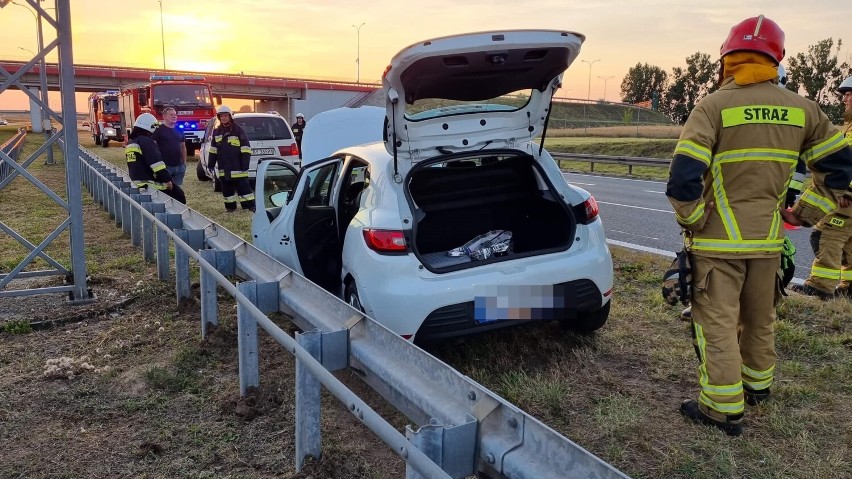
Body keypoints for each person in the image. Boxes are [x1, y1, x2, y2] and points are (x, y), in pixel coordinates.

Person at [666, 15, 852, 436]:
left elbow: (682, 180)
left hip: (718, 246)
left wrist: (694, 220)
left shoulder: (712, 106)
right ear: (776, 59)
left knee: (716, 322)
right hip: (768, 242)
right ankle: (757, 387)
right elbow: (840, 173)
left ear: (728, 58)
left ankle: (722, 409)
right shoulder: (806, 110)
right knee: (759, 318)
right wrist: (802, 214)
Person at [678, 62, 804, 322]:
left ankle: (714, 305)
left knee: (720, 303)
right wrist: (799, 206)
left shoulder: (720, 107)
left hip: (719, 222)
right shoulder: (793, 118)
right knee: (757, 322)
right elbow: (807, 166)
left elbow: (687, 170)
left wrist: (691, 215)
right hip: (766, 225)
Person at [791, 76, 852, 299]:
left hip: (845, 201)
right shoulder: (849, 126)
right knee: (849, 245)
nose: (845, 99)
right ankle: (849, 288)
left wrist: (847, 192)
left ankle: (820, 288)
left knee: (826, 236)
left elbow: (846, 165)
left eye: (849, 94)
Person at [125, 113, 186, 204]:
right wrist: (167, 180)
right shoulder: (146, 141)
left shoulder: (132, 142)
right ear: (150, 126)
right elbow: (156, 165)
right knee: (180, 196)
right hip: (149, 183)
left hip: (137, 182)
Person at [207, 105, 255, 212]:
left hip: (238, 167)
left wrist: (245, 164)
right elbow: (213, 150)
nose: (223, 118)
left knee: (244, 189)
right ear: (219, 118)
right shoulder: (217, 132)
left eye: (225, 116)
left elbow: (246, 148)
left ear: (230, 116)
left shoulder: (238, 130)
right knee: (227, 190)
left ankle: (249, 206)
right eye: (221, 116)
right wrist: (211, 164)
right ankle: (230, 208)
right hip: (224, 167)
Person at [152, 107, 187, 186]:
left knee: (177, 191)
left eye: (175, 115)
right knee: (166, 191)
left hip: (179, 167)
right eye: (171, 115)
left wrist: (184, 163)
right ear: (164, 117)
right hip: (165, 167)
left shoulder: (180, 130)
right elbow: (153, 147)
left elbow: (183, 147)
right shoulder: (158, 130)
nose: (174, 116)